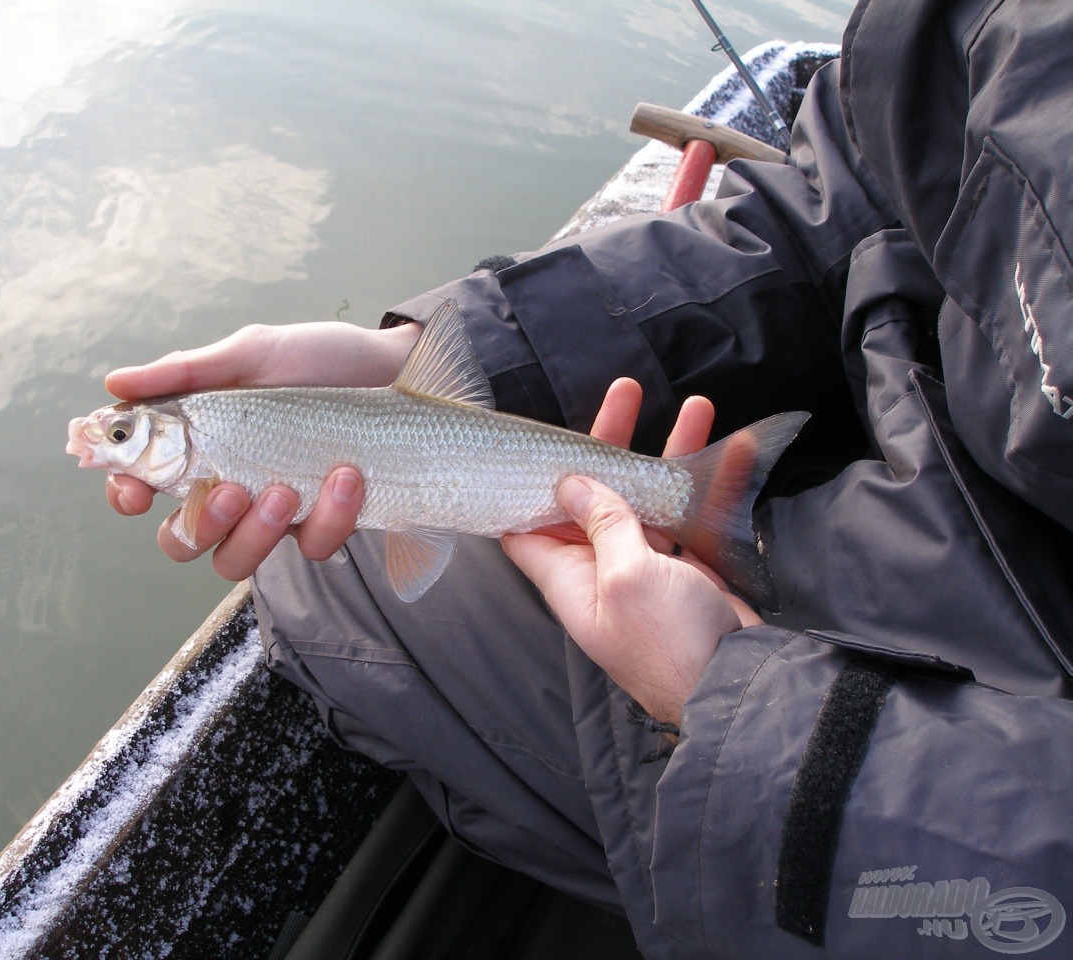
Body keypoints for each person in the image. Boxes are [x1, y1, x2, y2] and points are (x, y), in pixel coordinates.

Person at [99, 0, 1073, 956]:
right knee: (342, 561)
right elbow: (843, 204)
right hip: (936, 506)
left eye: (126, 433)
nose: (113, 440)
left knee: (315, 581)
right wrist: (412, 356)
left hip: (957, 767)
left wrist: (713, 693)